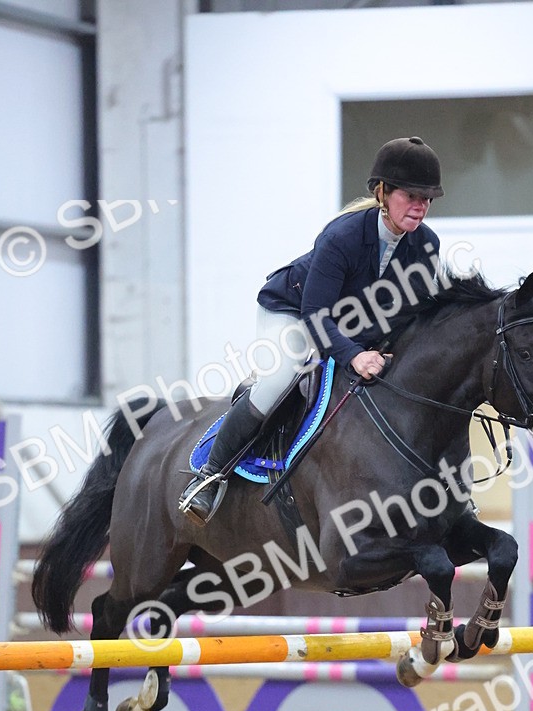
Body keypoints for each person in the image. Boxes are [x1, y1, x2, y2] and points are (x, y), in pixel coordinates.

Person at [179, 135, 444, 525]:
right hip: (292, 310)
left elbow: (415, 315)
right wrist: (354, 354)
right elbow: (315, 314)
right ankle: (209, 477)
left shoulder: (426, 245)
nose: (420, 206)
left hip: (352, 324)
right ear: (383, 193)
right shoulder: (342, 237)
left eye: (427, 198)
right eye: (411, 195)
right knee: (281, 378)